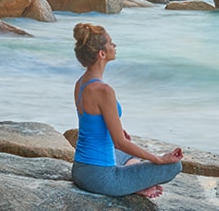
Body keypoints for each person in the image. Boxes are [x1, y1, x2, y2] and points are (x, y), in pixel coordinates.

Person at [71, 23, 183, 198]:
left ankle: (135, 181)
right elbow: (120, 142)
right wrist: (160, 159)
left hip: (80, 170)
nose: (114, 46)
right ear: (102, 54)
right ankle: (134, 185)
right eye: (110, 43)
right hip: (101, 178)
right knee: (174, 166)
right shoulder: (104, 91)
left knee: (127, 152)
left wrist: (115, 133)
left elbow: (92, 124)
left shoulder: (80, 83)